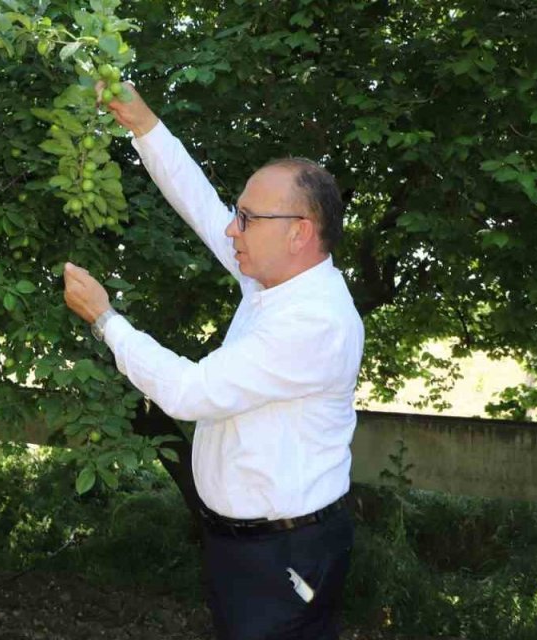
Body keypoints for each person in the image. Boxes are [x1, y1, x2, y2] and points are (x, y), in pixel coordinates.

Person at [62, 83, 365, 639]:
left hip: (284, 554)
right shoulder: (273, 281)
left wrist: (106, 320)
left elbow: (187, 392)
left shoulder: (314, 320)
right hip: (245, 545)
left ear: (299, 232)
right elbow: (202, 206)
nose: (232, 228)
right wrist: (144, 125)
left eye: (247, 219)